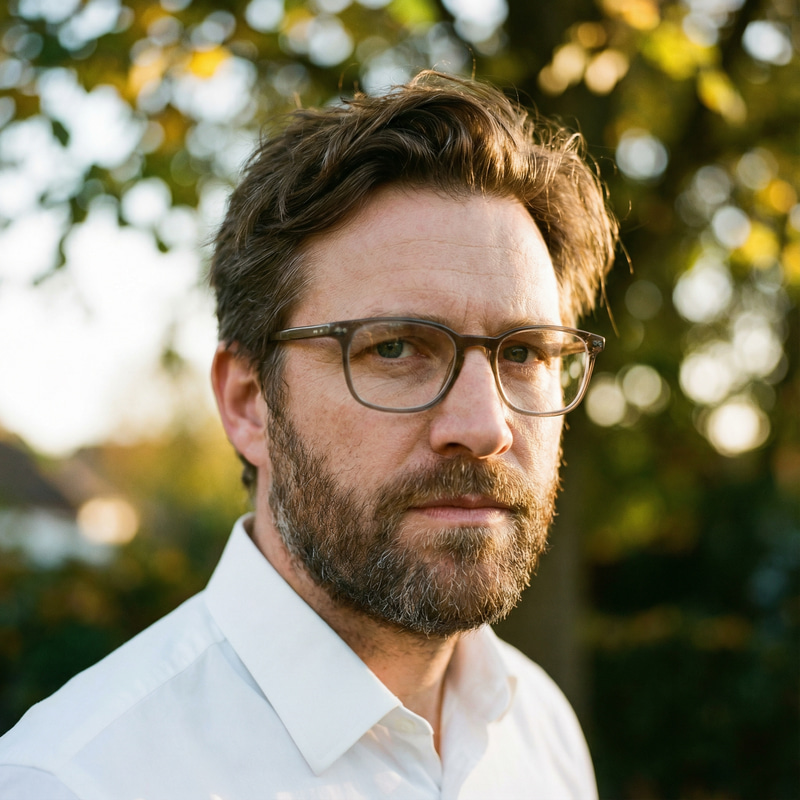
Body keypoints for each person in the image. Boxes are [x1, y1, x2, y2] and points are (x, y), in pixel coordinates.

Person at [0, 71, 618, 799]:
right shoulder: (73, 780)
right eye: (395, 349)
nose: (484, 427)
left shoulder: (540, 727)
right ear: (248, 403)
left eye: (524, 353)